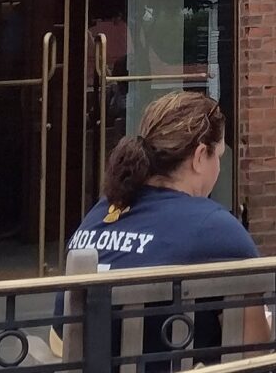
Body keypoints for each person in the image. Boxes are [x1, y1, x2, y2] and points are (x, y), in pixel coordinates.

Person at [64, 91, 265, 351]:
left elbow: (59, 336)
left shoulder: (101, 212)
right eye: (218, 156)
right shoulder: (215, 228)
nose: (218, 168)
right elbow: (257, 349)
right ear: (200, 156)